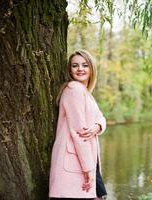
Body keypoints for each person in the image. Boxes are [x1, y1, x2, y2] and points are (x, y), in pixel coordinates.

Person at [49, 50, 107, 200]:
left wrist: (98, 127)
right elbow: (78, 132)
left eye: (84, 65)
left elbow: (101, 116)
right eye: (75, 65)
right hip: (77, 162)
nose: (80, 68)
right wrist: (88, 169)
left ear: (91, 68)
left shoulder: (85, 92)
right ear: (70, 70)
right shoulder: (74, 89)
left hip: (86, 159)